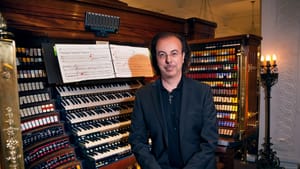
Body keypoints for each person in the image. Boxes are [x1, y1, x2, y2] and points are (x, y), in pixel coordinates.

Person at [128, 32, 219, 169]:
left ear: (183, 57)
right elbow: (138, 141)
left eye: (174, 53)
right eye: (162, 54)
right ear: (156, 59)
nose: (168, 60)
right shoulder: (143, 95)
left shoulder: (203, 92)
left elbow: (209, 142)